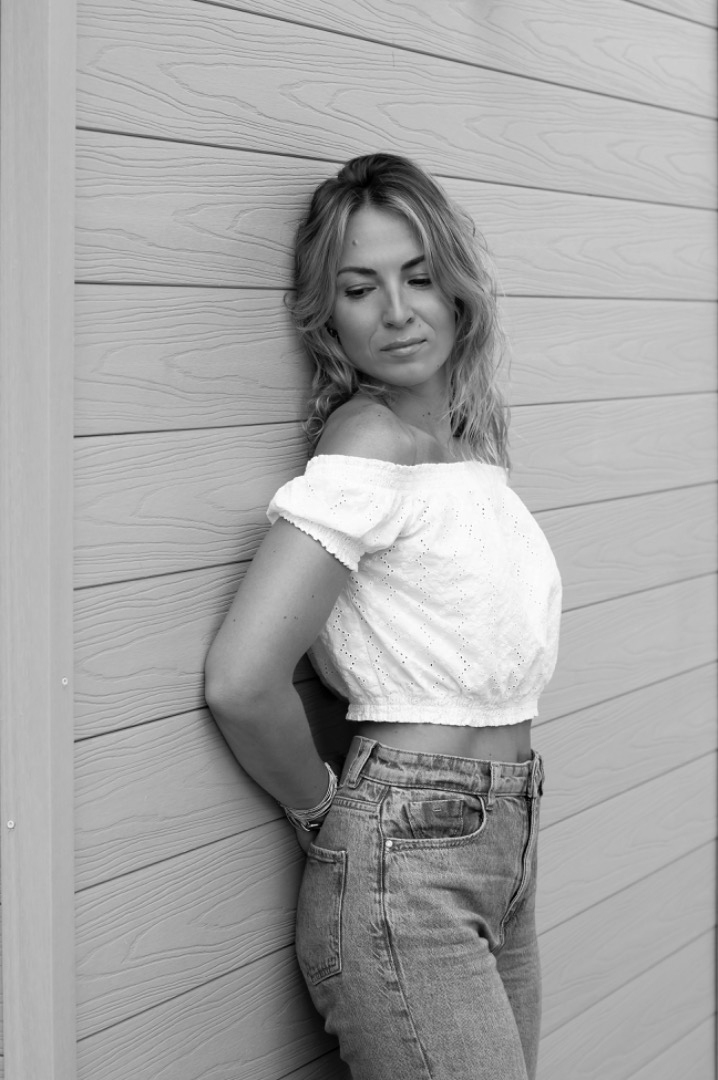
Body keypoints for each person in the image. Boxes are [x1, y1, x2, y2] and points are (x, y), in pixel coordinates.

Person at [204, 153, 561, 1080]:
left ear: (459, 288)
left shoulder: (463, 450)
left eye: (419, 277)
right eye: (360, 288)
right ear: (327, 314)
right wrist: (327, 817)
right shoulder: (368, 443)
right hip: (407, 854)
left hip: (502, 838)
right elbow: (243, 681)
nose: (397, 311)